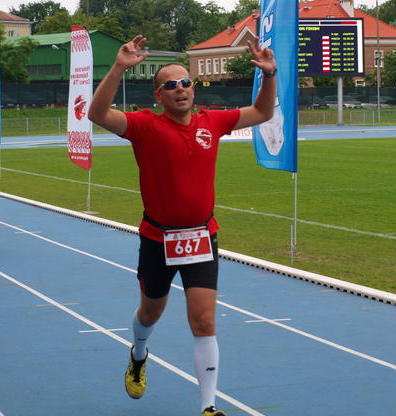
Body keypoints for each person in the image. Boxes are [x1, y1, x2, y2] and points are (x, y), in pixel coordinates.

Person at [88, 35, 277, 416]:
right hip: (158, 239)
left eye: (186, 82)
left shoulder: (213, 121)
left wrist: (270, 74)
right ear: (158, 95)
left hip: (202, 236)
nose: (180, 89)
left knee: (203, 319)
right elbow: (97, 114)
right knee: (150, 313)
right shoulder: (143, 125)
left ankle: (208, 407)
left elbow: (262, 112)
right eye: (171, 84)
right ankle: (139, 352)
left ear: (194, 89)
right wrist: (119, 67)